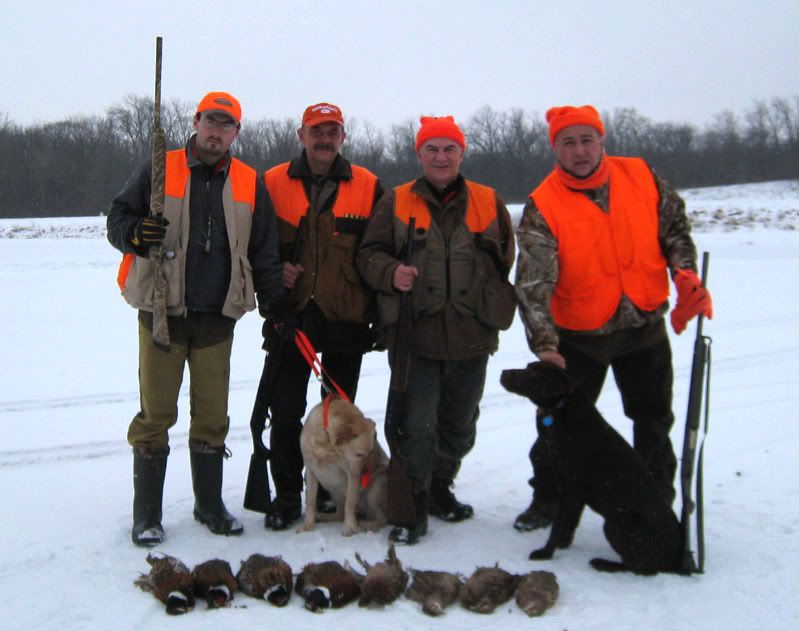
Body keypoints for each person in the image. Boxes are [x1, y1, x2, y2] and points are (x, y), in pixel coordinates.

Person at [513, 105, 713, 531]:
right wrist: (545, 346)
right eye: (568, 142)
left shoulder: (642, 175)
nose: (579, 151)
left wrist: (685, 274)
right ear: (555, 149)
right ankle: (548, 499)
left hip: (644, 327)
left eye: (587, 140)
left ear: (601, 141)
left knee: (653, 421)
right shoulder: (543, 203)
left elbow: (675, 230)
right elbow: (533, 283)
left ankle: (656, 504)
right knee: (557, 425)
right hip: (579, 336)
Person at [107, 91, 290, 546]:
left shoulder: (249, 180)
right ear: (196, 121)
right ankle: (147, 515)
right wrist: (136, 233)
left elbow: (264, 251)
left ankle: (209, 506)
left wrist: (276, 306)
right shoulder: (160, 166)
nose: (217, 131)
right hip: (161, 314)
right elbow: (117, 219)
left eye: (227, 125)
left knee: (212, 417)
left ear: (236, 132)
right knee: (156, 416)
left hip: (217, 319)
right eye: (211, 121)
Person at [357, 116, 516, 544]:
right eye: (432, 149)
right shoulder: (396, 200)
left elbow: (505, 260)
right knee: (415, 425)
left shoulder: (489, 201)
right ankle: (412, 506)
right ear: (419, 154)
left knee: (459, 424)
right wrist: (391, 273)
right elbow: (367, 256)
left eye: (449, 149)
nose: (441, 157)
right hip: (415, 337)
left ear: (462, 153)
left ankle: (441, 487)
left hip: (471, 335)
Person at [261, 102, 384, 530]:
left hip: (347, 319)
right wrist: (276, 270)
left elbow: (379, 251)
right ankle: (287, 497)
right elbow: (255, 246)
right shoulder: (272, 181)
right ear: (301, 135)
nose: (325, 139)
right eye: (317, 131)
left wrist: (382, 316)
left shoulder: (369, 185)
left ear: (343, 137)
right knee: (286, 411)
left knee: (340, 421)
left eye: (333, 132)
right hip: (292, 317)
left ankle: (335, 496)